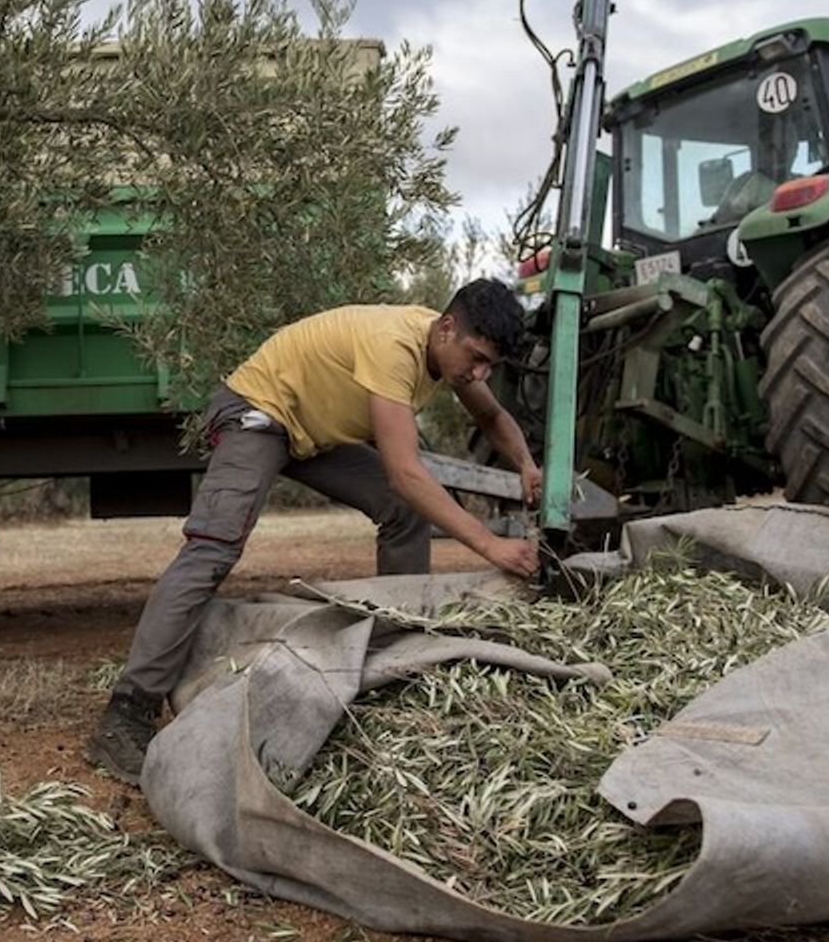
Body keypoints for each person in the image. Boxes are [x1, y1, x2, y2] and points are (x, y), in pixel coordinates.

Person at [85, 279, 541, 782]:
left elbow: (493, 414)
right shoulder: (395, 346)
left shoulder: (447, 350)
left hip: (308, 433)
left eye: (489, 366)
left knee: (402, 512)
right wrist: (489, 544)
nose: (479, 373)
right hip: (256, 411)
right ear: (447, 327)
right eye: (475, 358)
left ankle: (399, 656)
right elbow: (406, 473)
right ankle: (127, 713)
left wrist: (525, 462)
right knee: (214, 549)